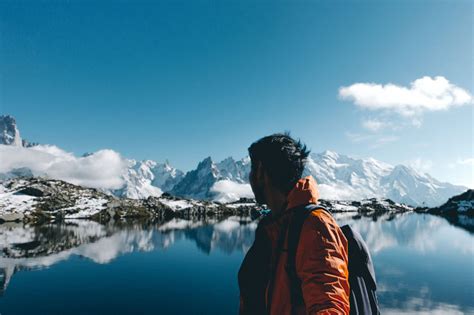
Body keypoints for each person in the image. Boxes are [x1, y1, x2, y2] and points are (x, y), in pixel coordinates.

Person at [238, 133, 350, 315]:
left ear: (260, 171)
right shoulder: (275, 225)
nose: (249, 177)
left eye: (252, 169)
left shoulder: (315, 225)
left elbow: (330, 304)